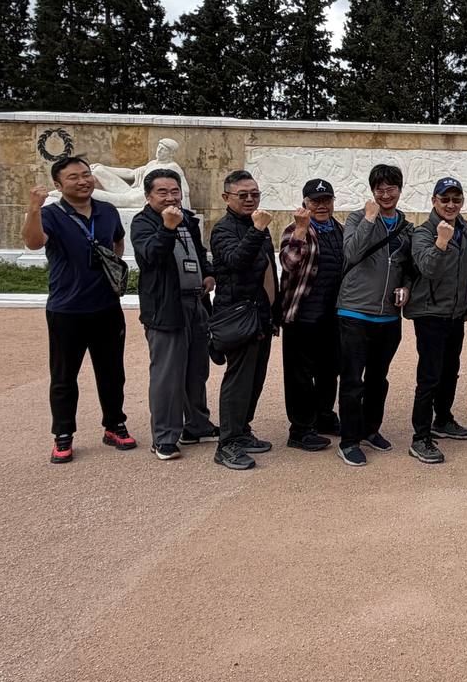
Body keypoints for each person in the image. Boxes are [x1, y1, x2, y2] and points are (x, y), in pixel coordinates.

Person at [21, 155, 135, 463]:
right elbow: (33, 243)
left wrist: (108, 269)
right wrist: (33, 207)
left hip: (106, 306)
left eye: (86, 174)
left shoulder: (107, 211)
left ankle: (114, 425)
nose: (83, 180)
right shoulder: (52, 215)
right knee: (63, 376)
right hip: (67, 308)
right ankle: (63, 434)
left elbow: (117, 243)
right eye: (74, 177)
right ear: (59, 185)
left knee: (112, 372)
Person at [132, 168, 218, 460]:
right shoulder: (143, 223)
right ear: (148, 196)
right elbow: (150, 257)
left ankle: (196, 425)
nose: (170, 197)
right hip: (166, 308)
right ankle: (165, 437)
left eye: (174, 191)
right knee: (168, 375)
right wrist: (167, 227)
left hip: (196, 303)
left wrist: (208, 274)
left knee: (197, 369)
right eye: (162, 192)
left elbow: (200, 253)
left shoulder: (188, 220)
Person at [334, 164, 414, 467]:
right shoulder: (357, 218)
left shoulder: (407, 227)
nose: (385, 194)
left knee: (379, 379)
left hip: (389, 316)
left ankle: (370, 429)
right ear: (372, 191)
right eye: (379, 189)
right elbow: (352, 253)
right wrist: (369, 219)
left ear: (399, 189)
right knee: (353, 380)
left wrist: (405, 288)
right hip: (354, 311)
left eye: (391, 188)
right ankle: (349, 440)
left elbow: (409, 268)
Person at [209, 169, 279, 471]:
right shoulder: (223, 228)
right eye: (243, 195)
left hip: (260, 315)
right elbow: (236, 262)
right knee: (238, 381)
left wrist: (274, 312)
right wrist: (257, 229)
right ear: (227, 197)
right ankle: (227, 444)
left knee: (255, 380)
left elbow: (268, 271)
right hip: (238, 315)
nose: (250, 199)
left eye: (255, 194)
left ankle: (243, 430)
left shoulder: (256, 226)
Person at [405, 177, 467, 464]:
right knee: (430, 376)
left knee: (450, 370)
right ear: (434, 201)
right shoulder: (423, 232)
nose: (450, 205)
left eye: (456, 199)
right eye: (444, 199)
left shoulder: (465, 227)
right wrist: (441, 242)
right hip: (430, 312)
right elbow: (428, 267)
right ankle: (420, 436)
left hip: (454, 312)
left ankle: (443, 419)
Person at [278, 178, 343, 454]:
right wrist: (302, 230)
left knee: (330, 372)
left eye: (326, 200)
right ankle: (300, 429)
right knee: (300, 376)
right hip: (302, 316)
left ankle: (323, 416)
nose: (321, 205)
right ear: (305, 203)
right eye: (316, 201)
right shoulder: (295, 230)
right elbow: (289, 262)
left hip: (332, 317)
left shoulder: (340, 230)